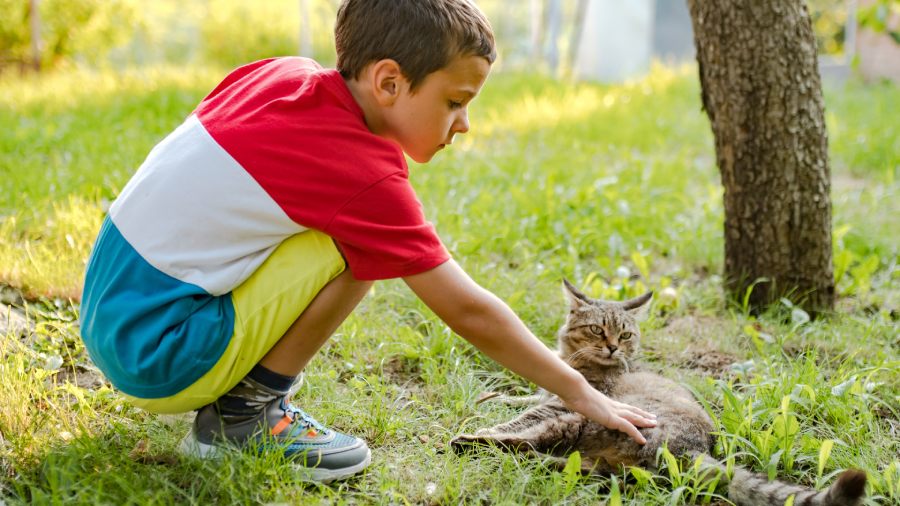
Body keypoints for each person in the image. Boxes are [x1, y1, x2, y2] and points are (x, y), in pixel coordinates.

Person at [79, 0, 656, 483]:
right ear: (388, 82)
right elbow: (467, 308)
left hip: (111, 312)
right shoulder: (365, 176)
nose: (464, 123)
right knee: (358, 249)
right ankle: (243, 418)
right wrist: (584, 394)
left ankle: (236, 402)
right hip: (161, 356)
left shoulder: (280, 74)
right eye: (455, 102)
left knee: (348, 230)